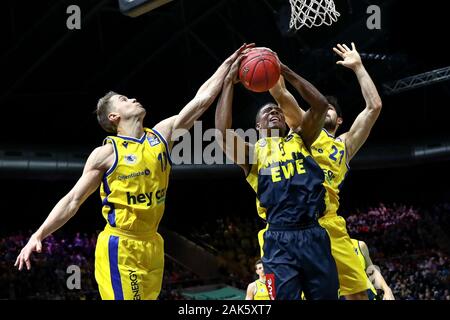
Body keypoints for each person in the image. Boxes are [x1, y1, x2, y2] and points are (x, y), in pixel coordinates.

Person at [14, 43, 254, 300]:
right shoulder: (106, 154)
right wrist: (38, 235)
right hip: (121, 246)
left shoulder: (161, 135)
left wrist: (228, 64)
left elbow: (201, 100)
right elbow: (73, 200)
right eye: (124, 99)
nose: (133, 99)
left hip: (152, 244)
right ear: (114, 116)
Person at [215, 52, 339, 300]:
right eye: (266, 112)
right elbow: (222, 131)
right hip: (278, 240)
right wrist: (228, 81)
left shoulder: (302, 139)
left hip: (314, 232)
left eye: (277, 111)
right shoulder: (252, 154)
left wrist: (284, 70)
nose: (274, 112)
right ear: (258, 127)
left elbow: (321, 106)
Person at [269, 42, 382, 300]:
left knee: (359, 295)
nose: (325, 109)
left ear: (339, 119)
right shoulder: (305, 131)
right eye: (322, 107)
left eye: (331, 108)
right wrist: (272, 64)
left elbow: (374, 107)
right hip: (301, 224)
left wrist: (359, 67)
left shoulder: (345, 144)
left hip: (331, 223)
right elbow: (281, 94)